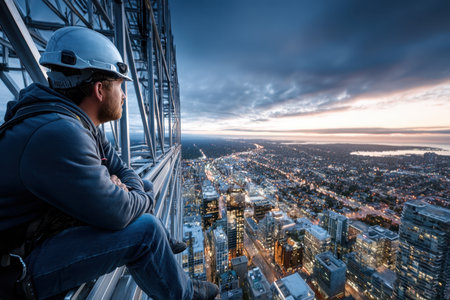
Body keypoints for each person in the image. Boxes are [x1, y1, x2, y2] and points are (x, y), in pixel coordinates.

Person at [0, 26, 218, 300]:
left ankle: (166, 253)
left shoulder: (75, 123)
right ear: (100, 89)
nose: (125, 95)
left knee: (142, 187)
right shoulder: (59, 133)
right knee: (147, 231)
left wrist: (128, 191)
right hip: (16, 271)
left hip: (39, 237)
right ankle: (186, 294)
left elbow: (122, 168)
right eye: (120, 86)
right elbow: (118, 211)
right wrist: (138, 196)